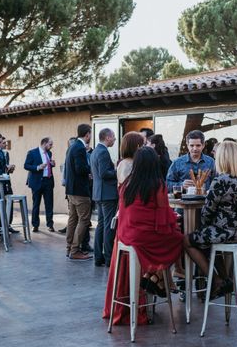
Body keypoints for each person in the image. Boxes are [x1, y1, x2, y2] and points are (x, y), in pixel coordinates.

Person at [103, 147, 183, 325]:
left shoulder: (127, 184)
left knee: (169, 238)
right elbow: (163, 219)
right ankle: (159, 277)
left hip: (125, 236)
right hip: (144, 238)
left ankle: (154, 277)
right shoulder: (157, 185)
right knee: (179, 240)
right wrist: (175, 219)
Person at [183, 141, 237, 298]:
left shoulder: (221, 180)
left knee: (187, 241)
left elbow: (206, 213)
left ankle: (216, 280)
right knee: (208, 238)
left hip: (229, 234)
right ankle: (225, 279)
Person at [65, 124, 93, 261]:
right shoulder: (80, 148)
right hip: (80, 190)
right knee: (84, 220)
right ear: (87, 134)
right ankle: (75, 250)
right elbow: (80, 169)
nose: (90, 137)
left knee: (73, 219)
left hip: (71, 189)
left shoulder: (72, 146)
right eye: (90, 134)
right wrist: (90, 170)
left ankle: (69, 247)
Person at [91, 128, 118, 267]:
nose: (114, 139)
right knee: (108, 226)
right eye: (113, 137)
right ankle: (108, 258)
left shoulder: (95, 151)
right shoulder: (103, 151)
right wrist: (118, 171)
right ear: (107, 137)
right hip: (107, 194)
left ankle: (98, 257)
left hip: (98, 193)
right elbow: (104, 173)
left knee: (101, 225)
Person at [24, 137, 56, 232]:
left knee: (49, 204)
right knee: (36, 204)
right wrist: (38, 167)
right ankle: (35, 225)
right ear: (44, 143)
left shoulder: (49, 153)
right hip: (37, 181)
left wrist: (52, 164)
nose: (51, 146)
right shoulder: (32, 152)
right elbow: (26, 165)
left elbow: (49, 165)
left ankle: (50, 224)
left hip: (48, 181)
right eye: (50, 144)